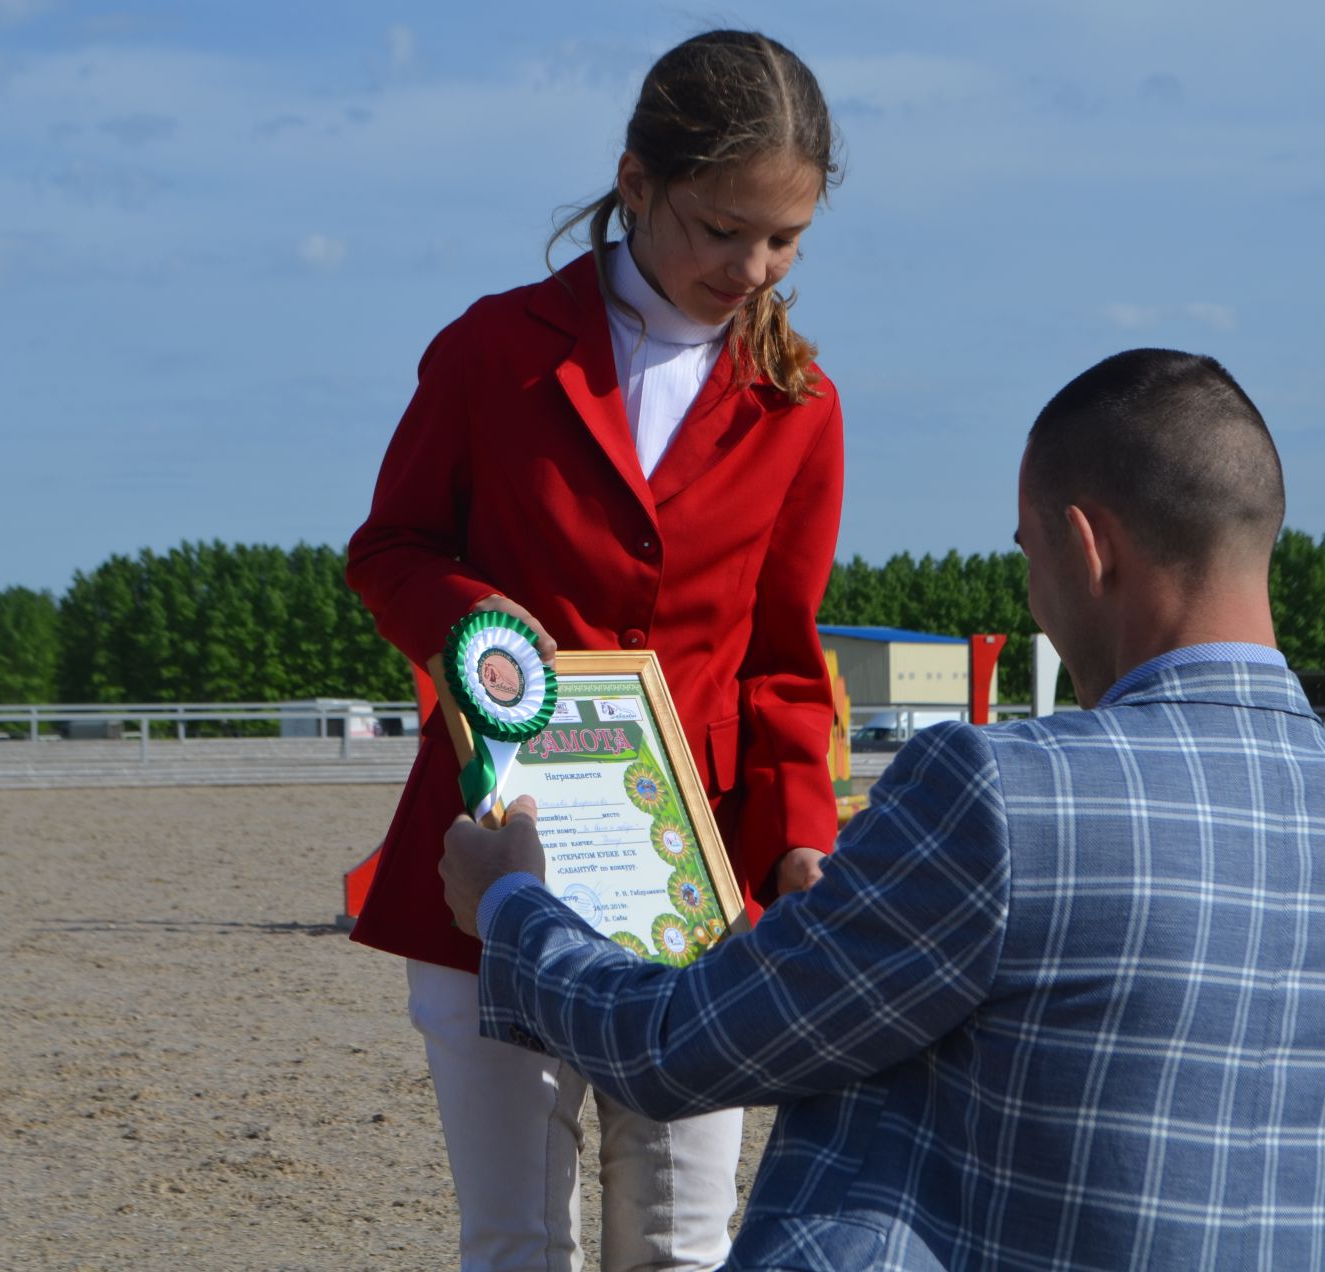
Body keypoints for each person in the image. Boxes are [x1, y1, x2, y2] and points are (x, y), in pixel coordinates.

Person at [440, 349, 1325, 1271]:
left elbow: (672, 1049)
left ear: (1087, 545)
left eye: (1027, 552)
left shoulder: (1000, 793)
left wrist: (513, 907)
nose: (1034, 591)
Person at [345, 30, 846, 1271]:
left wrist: (800, 838)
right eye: (724, 229)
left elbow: (784, 657)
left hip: (697, 891)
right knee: (515, 1242)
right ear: (635, 184)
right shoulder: (490, 350)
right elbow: (390, 545)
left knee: (681, 1245)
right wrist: (479, 628)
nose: (754, 267)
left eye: (784, 240)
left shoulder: (803, 404)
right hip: (492, 861)